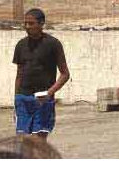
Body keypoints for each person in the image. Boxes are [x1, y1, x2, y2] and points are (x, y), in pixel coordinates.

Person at [13, 8, 70, 139]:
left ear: (41, 23)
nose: (27, 26)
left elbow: (65, 74)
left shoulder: (53, 44)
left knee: (39, 141)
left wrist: (49, 93)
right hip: (23, 98)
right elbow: (19, 74)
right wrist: (16, 99)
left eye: (31, 23)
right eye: (25, 23)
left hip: (42, 100)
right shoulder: (21, 45)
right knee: (22, 140)